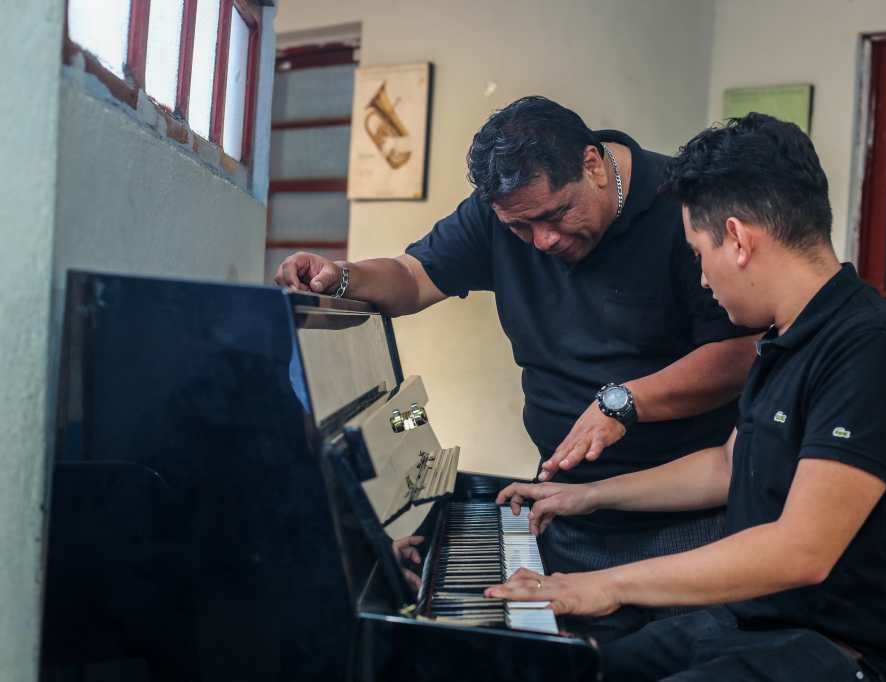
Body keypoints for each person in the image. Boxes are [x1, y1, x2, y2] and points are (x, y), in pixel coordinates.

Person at [487, 112, 886, 682]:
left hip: (859, 657)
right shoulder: (784, 340)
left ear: (738, 240)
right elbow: (727, 464)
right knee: (566, 671)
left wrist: (602, 585)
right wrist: (587, 495)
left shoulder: (874, 350)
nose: (702, 279)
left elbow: (800, 551)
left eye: (697, 253)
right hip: (759, 628)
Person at [275, 97, 758, 619]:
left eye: (556, 215)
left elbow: (738, 354)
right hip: (565, 506)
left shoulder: (680, 205)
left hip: (682, 522)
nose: (543, 240)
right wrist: (342, 277)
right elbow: (412, 277)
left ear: (593, 165)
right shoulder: (503, 211)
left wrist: (626, 401)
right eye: (520, 228)